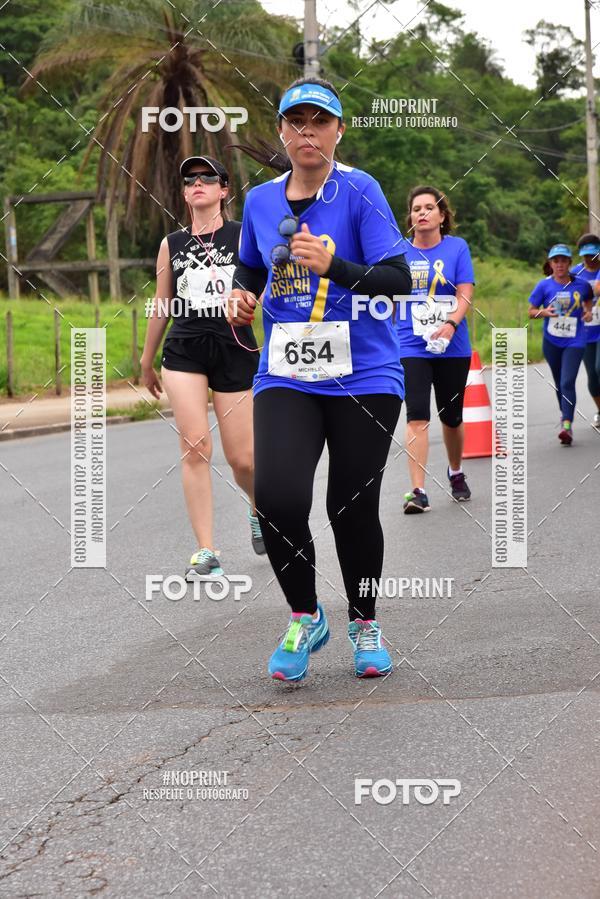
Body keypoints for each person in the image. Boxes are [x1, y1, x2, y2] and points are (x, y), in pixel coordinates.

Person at [227, 77, 412, 681]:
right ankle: (305, 615)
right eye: (296, 122)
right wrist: (241, 296)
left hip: (365, 373)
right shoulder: (260, 201)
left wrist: (336, 266)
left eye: (320, 122)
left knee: (349, 507)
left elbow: (398, 279)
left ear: (338, 131)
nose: (308, 132)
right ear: (282, 131)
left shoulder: (360, 190)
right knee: (277, 498)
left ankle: (364, 622)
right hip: (287, 373)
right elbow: (250, 268)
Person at [141, 155, 265, 581]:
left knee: (243, 459)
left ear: (223, 190)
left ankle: (258, 510)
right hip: (185, 350)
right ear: (183, 192)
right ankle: (206, 550)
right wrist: (146, 359)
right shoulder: (170, 244)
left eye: (207, 178)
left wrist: (253, 305)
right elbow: (162, 303)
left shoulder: (243, 235)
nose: (197, 184)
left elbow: (263, 286)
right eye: (190, 179)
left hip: (235, 348)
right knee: (195, 446)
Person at [395, 186, 475, 514]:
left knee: (451, 417)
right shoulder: (398, 251)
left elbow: (464, 292)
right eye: (416, 209)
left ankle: (456, 471)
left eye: (429, 207)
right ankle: (418, 491)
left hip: (452, 345)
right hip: (410, 344)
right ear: (411, 217)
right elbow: (387, 292)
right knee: (417, 415)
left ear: (442, 216)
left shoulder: (457, 248)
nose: (422, 213)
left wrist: (451, 324)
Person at [528, 243, 593, 445]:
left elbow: (588, 300)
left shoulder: (582, 285)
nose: (560, 264)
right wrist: (544, 313)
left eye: (564, 261)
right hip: (552, 341)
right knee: (559, 383)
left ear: (569, 263)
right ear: (550, 264)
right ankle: (565, 414)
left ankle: (567, 424)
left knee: (567, 382)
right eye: (556, 261)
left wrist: (588, 312)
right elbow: (531, 312)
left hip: (575, 339)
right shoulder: (543, 286)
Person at [570, 233, 600, 428]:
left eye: (594, 255)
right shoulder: (575, 273)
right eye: (586, 255)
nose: (590, 259)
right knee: (593, 377)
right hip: (585, 332)